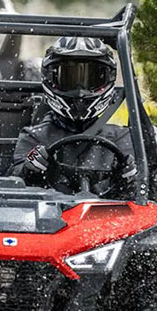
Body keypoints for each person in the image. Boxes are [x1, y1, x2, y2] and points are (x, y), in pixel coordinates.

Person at [8, 37, 137, 197]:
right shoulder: (34, 136)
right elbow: (14, 184)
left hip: (106, 218)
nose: (80, 91)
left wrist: (128, 179)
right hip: (49, 218)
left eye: (90, 79)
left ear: (106, 79)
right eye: (69, 78)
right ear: (51, 79)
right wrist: (30, 168)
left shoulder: (122, 138)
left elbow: (141, 197)